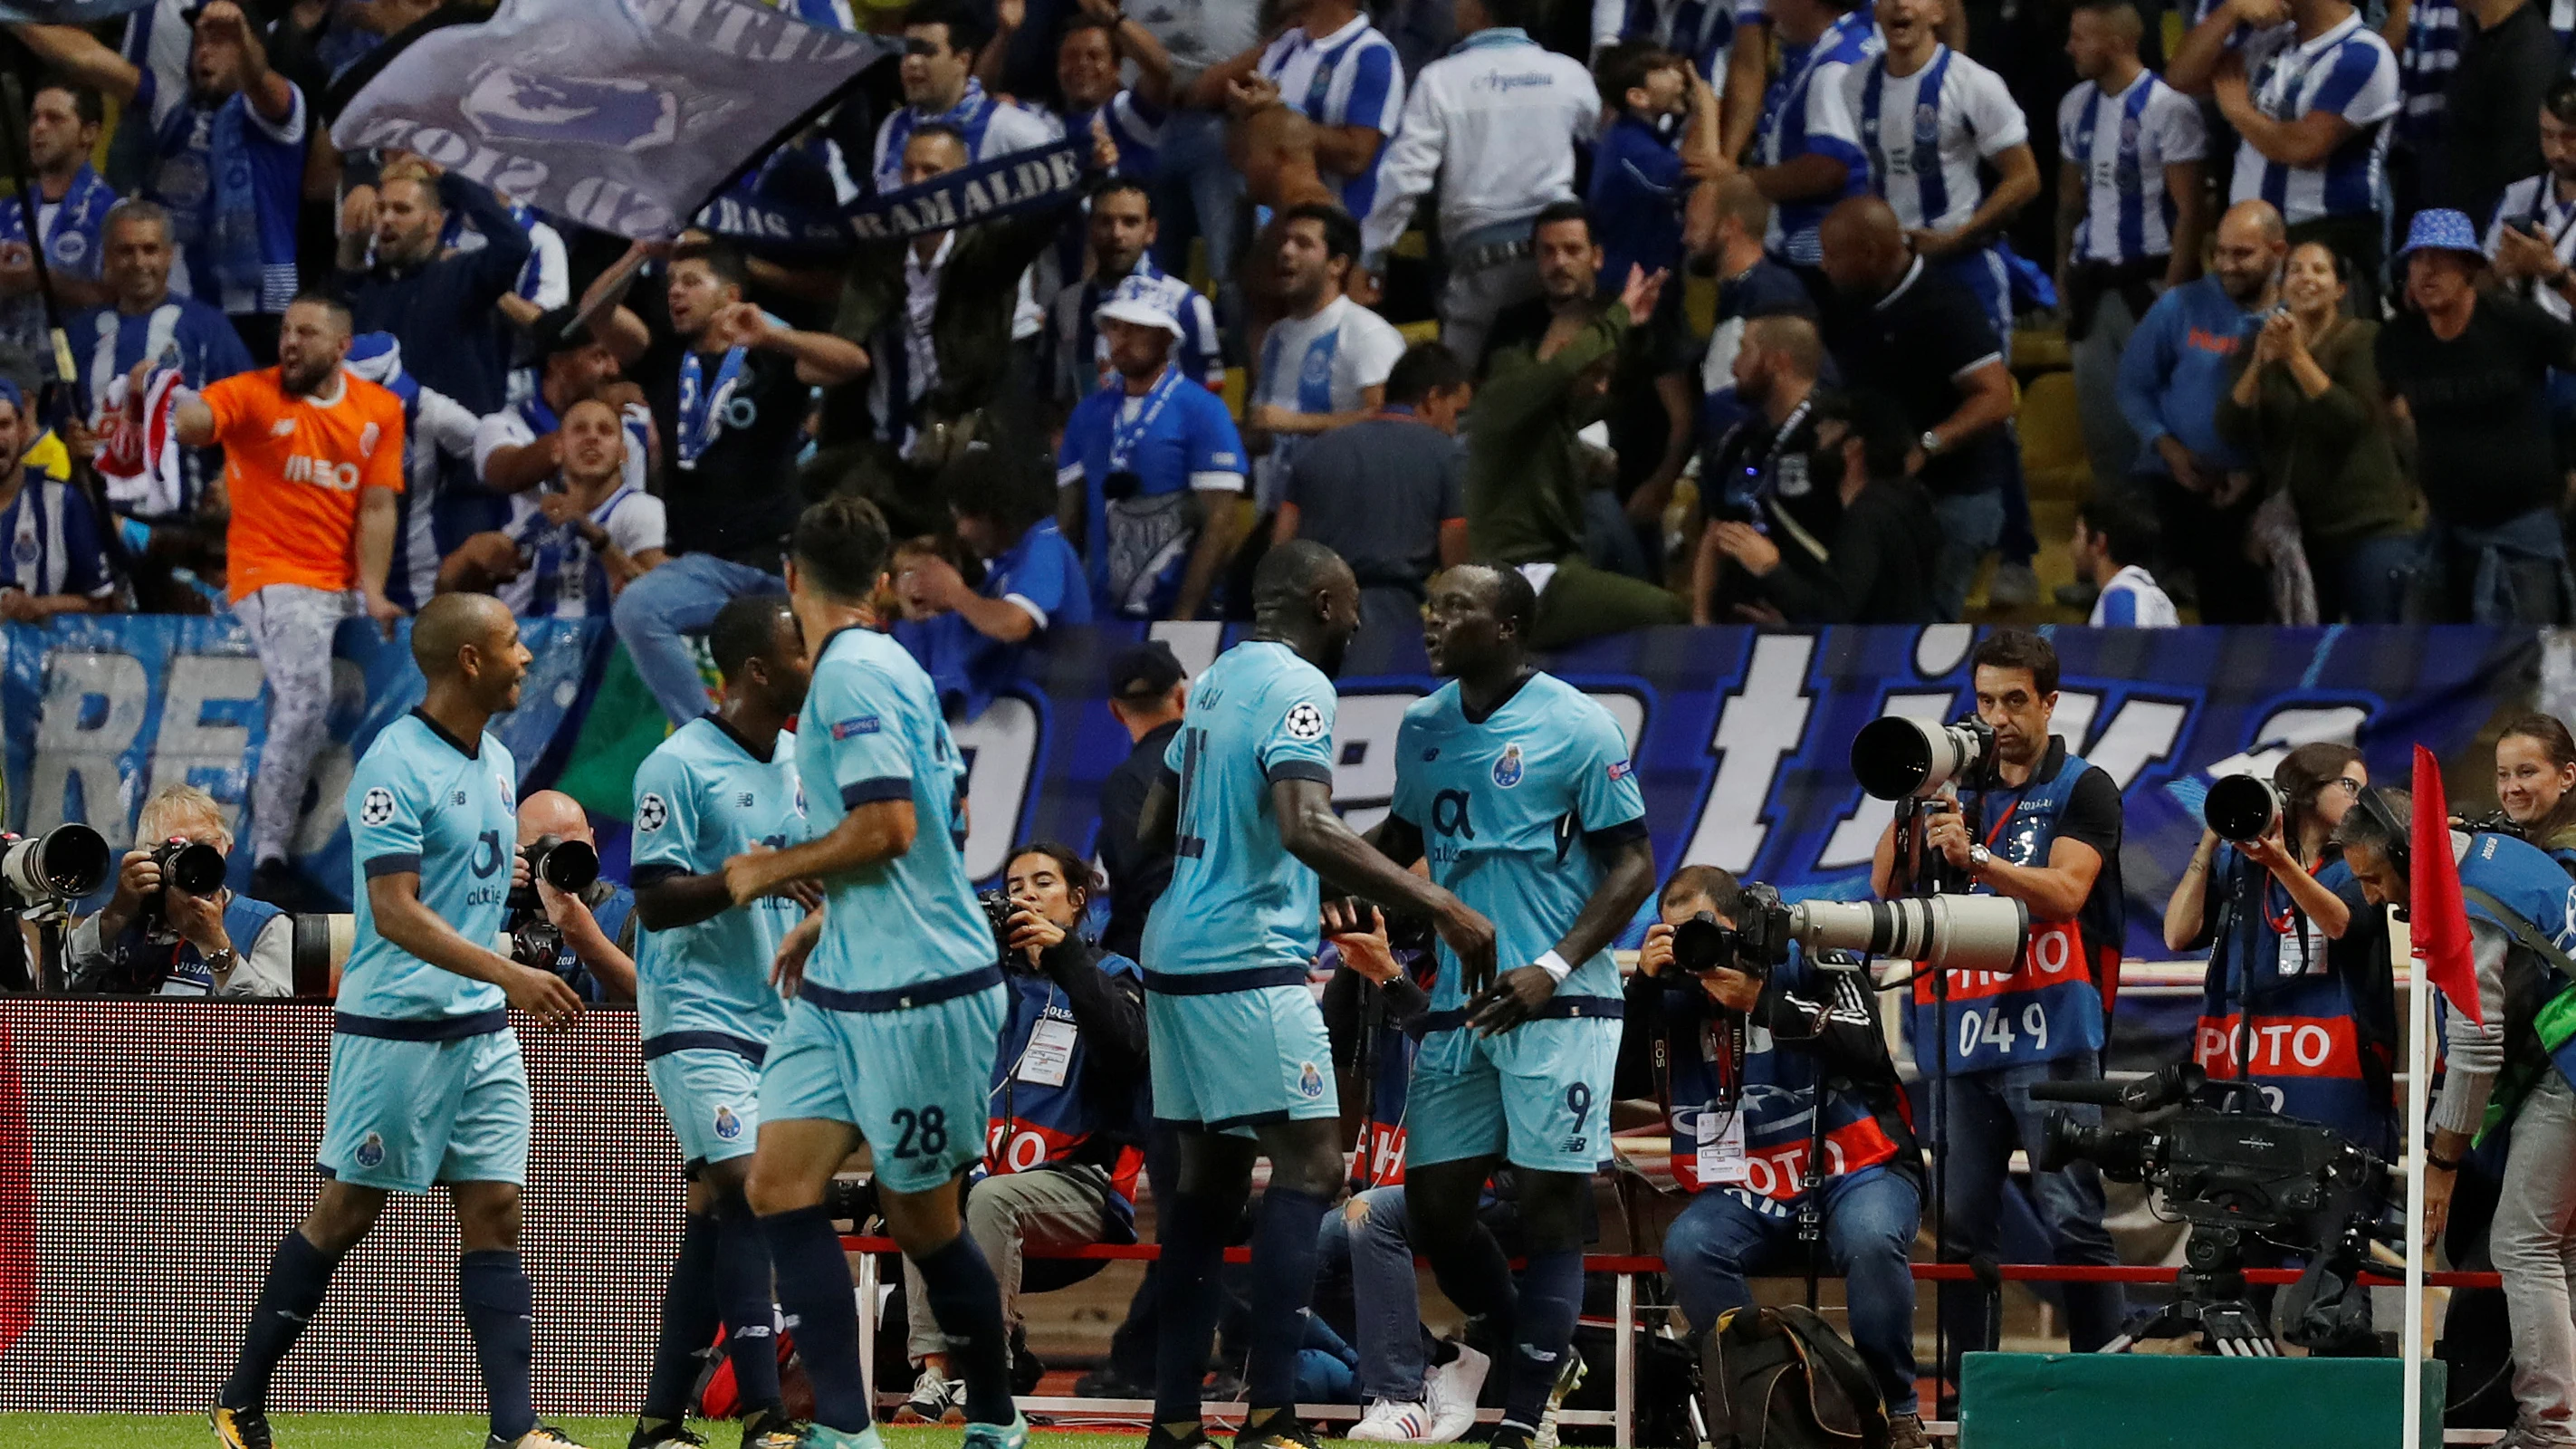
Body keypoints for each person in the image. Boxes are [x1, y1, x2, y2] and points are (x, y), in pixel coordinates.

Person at [1133, 540, 1496, 1449]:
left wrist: (1249, 866)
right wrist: (1433, 899)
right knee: (1313, 1171)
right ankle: (1270, 1420)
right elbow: (1305, 822)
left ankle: (1174, 1422)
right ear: (1326, 603)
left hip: (1174, 954)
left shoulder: (1214, 680)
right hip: (1246, 962)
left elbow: (1150, 821)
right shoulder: (1302, 687)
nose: (1362, 625)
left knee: (1205, 1193)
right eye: (1354, 609)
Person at [209, 592, 588, 1449]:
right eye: (513, 643)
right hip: (397, 1031)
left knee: (495, 1212)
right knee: (348, 1211)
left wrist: (503, 983)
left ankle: (515, 1430)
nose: (527, 656)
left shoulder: (495, 757)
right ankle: (239, 1399)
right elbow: (396, 913)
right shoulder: (393, 764)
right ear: (468, 661)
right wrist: (509, 972)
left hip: (481, 1031)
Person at [723, 495, 1025, 1449]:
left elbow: (892, 825)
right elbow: (945, 826)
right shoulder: (893, 665)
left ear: (792, 578)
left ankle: (996, 1413)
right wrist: (832, 915)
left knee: (924, 1221)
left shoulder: (851, 675)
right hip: (851, 976)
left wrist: (765, 871)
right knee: (777, 1185)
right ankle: (846, 1428)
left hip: (920, 989)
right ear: (887, 582)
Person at [1361, 562, 1656, 1449]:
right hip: (1461, 1006)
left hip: (1560, 1004)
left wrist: (1555, 964)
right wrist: (1328, 867)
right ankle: (1546, 1351)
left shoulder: (1575, 724)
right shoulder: (1422, 725)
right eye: (1431, 605)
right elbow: (1400, 843)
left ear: (1508, 625)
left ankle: (1524, 1416)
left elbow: (1634, 865)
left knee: (1549, 1205)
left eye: (1456, 607)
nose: (1433, 620)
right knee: (1436, 1207)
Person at [1870, 628, 2127, 1380]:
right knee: (1957, 1231)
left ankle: (2100, 1387)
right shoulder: (1957, 785)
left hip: (2050, 1038)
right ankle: (1965, 1390)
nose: (1997, 717)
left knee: (2073, 1219)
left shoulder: (2082, 785)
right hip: (1957, 1038)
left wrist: (1976, 858)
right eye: (1985, 700)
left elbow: (2067, 893)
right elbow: (1885, 889)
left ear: (2049, 702)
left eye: (2014, 700)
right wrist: (1914, 794)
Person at [1634, 866, 1927, 1449]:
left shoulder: (1811, 950)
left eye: (1706, 929)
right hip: (1747, 1189)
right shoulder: (1671, 991)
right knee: (1690, 1246)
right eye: (1678, 933)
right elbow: (1619, 1080)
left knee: (1871, 1238)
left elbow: (1867, 1046)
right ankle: (1769, 1411)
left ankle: (1896, 1413)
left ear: (1741, 920)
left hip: (1856, 1168)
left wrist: (1763, 1001)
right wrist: (1643, 989)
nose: (1698, 945)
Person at [626, 593, 814, 1449]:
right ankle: (765, 1413)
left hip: (778, 1016)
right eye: (800, 650)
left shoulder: (805, 758)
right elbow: (656, 902)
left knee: (714, 1216)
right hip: (693, 1012)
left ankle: (658, 1421)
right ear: (757, 671)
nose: (817, 663)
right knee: (750, 1186)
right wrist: (761, 875)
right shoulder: (678, 764)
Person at [2339, 790, 2576, 1449]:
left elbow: (2474, 1050)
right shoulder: (2506, 854)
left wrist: (2439, 1160)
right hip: (2561, 1061)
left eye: (2373, 878)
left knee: (2522, 1246)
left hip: (2566, 1069)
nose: (2369, 898)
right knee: (2560, 1252)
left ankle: (2546, 1432)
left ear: (2411, 855)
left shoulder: (2462, 910)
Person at [169, 292, 407, 907]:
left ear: (341, 347)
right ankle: (270, 855)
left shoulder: (379, 409)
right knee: (307, 696)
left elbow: (378, 506)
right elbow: (198, 421)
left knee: (430, 640)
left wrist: (376, 592)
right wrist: (172, 403)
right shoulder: (253, 392)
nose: (290, 343)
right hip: (271, 575)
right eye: (284, 331)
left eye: (306, 332)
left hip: (342, 586)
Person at [897, 842, 1148, 1422]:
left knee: (989, 1196)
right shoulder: (993, 982)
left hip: (1083, 1188)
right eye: (1015, 887)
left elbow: (1127, 1049)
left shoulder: (1113, 973)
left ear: (1078, 899)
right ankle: (936, 1378)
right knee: (924, 1186)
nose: (1027, 895)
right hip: (991, 1188)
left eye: (1043, 883)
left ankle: (995, 1363)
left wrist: (1065, 961)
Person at [598, 240, 868, 728]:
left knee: (822, 683)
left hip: (782, 565)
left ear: (731, 295)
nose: (675, 293)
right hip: (706, 568)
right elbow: (596, 314)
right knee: (638, 608)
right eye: (670, 284)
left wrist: (772, 337)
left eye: (691, 282)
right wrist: (638, 254)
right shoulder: (661, 359)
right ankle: (708, 735)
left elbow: (853, 363)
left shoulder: (772, 360)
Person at [14, 1, 306, 355]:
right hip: (179, 307)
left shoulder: (280, 113)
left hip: (260, 309)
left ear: (251, 46)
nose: (203, 52)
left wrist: (244, 41)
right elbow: (85, 58)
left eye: (218, 41)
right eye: (198, 41)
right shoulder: (173, 103)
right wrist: (10, 14)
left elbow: (259, 81)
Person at [2165, 743, 2392, 1156]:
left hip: (2328, 1074)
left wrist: (2280, 863)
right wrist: (2208, 845)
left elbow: (2341, 923)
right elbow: (2177, 936)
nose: (2360, 801)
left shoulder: (2357, 863)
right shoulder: (2240, 864)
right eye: (2349, 785)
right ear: (2307, 787)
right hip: (2246, 1057)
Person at [1467, 236, 1684, 648]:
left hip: (1552, 571)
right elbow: (1565, 369)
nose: (1602, 388)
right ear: (1570, 350)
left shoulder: (1553, 413)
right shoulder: (1505, 397)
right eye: (1596, 372)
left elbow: (1621, 388)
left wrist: (1633, 331)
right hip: (1518, 577)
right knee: (1667, 611)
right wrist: (1618, 314)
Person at [1358, 0, 1603, 363]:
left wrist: (1373, 253)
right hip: (1559, 257)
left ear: (1477, 9)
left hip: (1481, 266)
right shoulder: (1567, 74)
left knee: (1457, 388)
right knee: (1564, 378)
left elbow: (1405, 176)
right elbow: (1606, 143)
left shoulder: (1440, 80)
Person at [1815, 197, 2015, 621]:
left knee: (1921, 632)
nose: (1823, 266)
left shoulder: (1944, 305)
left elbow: (1996, 397)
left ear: (1869, 254)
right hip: (1887, 497)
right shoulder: (1848, 305)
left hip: (1955, 496)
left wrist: (1926, 446)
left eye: (1832, 255)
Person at [2380, 209, 2576, 625]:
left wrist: (2559, 278)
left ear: (2469, 266)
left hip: (2522, 530)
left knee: (2528, 671)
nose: (2427, 270)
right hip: (2443, 530)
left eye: (2442, 257)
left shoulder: (2513, 323)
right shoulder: (2398, 340)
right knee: (2431, 666)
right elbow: (2387, 410)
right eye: (2417, 258)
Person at [2211, 241, 2418, 623]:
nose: (2307, 278)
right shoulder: (2263, 346)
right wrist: (2258, 361)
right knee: (2310, 660)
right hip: (2304, 538)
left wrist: (2295, 356)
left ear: (2340, 289)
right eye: (2296, 270)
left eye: (2319, 270)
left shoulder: (2364, 338)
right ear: (2281, 287)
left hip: (2368, 529)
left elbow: (2348, 421)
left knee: (2380, 654)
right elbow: (2230, 428)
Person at [2056, 0, 2209, 497]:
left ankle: (2170, 549)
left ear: (2118, 42)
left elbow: (2189, 210)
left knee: (2163, 420)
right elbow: (2069, 200)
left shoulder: (2169, 107)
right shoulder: (2075, 105)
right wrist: (2062, 271)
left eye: (2081, 37)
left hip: (2149, 282)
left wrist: (2175, 295)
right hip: (2092, 284)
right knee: (2103, 427)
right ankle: (2117, 547)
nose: (2069, 48)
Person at [2116, 199, 2284, 625]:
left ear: (2278, 251)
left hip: (2256, 490)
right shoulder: (2181, 305)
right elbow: (2133, 385)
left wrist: (2256, 473)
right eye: (2221, 252)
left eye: (2242, 254)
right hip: (2172, 481)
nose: (2227, 265)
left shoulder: (2294, 316)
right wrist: (2168, 447)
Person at [2167, 0, 2400, 294]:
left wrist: (2239, 111)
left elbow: (2303, 147)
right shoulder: (2272, 42)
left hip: (2326, 237)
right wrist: (2231, 11)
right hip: (2256, 240)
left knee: (2326, 341)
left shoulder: (2364, 54)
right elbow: (2180, 77)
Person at [1056, 273, 1250, 621]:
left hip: (1181, 612)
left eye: (1139, 328)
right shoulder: (1088, 413)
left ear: (1165, 337)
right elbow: (1070, 520)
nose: (1124, 339)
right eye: (1116, 327)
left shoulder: (1202, 410)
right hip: (1102, 613)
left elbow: (1220, 523)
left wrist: (1182, 618)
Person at [1272, 341, 1472, 637]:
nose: (1455, 428)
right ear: (1432, 399)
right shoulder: (1449, 457)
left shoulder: (1315, 452)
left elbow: (1280, 550)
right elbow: (1457, 565)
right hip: (1394, 618)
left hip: (1313, 620)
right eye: (1457, 413)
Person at [1697, 389, 1939, 626]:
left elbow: (1836, 608)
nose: (1817, 444)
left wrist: (1769, 567)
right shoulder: (1910, 500)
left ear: (1853, 447)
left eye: (1826, 435)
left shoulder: (1867, 515)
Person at [893, 442, 1090, 721]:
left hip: (1063, 725)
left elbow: (1013, 624)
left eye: (963, 518)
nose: (959, 531)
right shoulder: (999, 567)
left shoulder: (1045, 547)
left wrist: (955, 595)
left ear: (991, 514)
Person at [1247, 205, 1406, 525]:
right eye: (1284, 241)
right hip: (1278, 513)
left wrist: (1293, 422)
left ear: (1337, 265)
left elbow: (1391, 421)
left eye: (1303, 244)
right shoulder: (1275, 338)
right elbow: (1269, 430)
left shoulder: (1365, 333)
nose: (1286, 251)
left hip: (1344, 517)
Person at [336, 162, 534, 415]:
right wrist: (349, 247)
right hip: (385, 444)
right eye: (381, 209)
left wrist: (452, 180)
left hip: (458, 446)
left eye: (401, 210)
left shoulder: (466, 276)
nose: (386, 219)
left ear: (434, 223)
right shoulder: (370, 287)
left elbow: (515, 246)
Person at [443, 398, 667, 619]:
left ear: (623, 453)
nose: (592, 438)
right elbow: (446, 598)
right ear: (557, 450)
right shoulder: (536, 519)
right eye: (580, 430)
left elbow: (663, 605)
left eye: (605, 431)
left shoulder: (640, 510)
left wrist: (598, 540)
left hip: (608, 653)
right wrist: (468, 559)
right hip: (530, 649)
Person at [67, 782, 292, 998]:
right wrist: (115, 916)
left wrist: (217, 948)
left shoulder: (264, 926)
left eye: (203, 845)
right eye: (174, 847)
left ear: (226, 848)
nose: (191, 858)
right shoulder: (119, 922)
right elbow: (55, 995)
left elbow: (282, 1027)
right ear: (143, 856)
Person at [1216, 0, 1404, 224]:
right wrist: (1246, 117)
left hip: (1342, 237)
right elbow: (1241, 155)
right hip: (1276, 230)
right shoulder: (1283, 48)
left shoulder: (1371, 55)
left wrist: (1277, 117)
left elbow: (1356, 157)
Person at [1048, 181, 1223, 410]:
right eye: (1105, 221)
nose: (1117, 233)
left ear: (1151, 231)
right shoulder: (1067, 305)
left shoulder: (1187, 305)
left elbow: (1208, 403)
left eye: (1130, 222)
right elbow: (1053, 398)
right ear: (1090, 229)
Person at [1735, 0, 1876, 275]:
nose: (1767, 10)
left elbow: (1828, 169)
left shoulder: (1835, 67)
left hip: (1820, 249)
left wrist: (1741, 183)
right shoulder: (1845, 43)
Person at [866, 0, 1060, 196]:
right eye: (907, 52)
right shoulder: (892, 127)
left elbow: (1066, 189)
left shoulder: (1011, 128)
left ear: (962, 60)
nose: (912, 62)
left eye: (927, 52)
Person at [1688, 172, 1818, 446]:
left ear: (1729, 227)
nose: (1686, 238)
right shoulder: (1734, 293)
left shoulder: (1775, 294)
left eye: (1694, 226)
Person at [1588, 43, 1723, 293]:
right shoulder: (1631, 150)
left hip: (1649, 283)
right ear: (1638, 97)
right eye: (1663, 69)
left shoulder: (1646, 138)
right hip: (1626, 290)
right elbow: (1707, 178)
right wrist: (1709, 110)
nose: (1678, 76)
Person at [0, 78, 113, 366]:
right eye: (34, 119)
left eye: (55, 118)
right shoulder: (6, 210)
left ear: (89, 133)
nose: (39, 128)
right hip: (9, 380)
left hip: (78, 372)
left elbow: (124, 298)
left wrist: (42, 279)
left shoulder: (113, 213)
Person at [2423, 0, 2556, 229]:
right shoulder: (2482, 37)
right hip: (2454, 227)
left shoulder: (2527, 51)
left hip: (2481, 238)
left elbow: (2517, 173)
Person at [1096, 640, 1186, 961]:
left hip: (1164, 964)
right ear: (1181, 696)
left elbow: (1153, 886)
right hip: (1251, 949)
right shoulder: (1231, 760)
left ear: (1116, 711)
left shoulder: (1126, 783)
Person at [0, 378, 115, 622]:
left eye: (3, 425)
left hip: (42, 654)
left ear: (22, 429)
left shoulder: (62, 502)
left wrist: (39, 606)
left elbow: (103, 601)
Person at [512, 789, 637, 1005]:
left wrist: (585, 938)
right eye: (543, 852)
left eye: (574, 849)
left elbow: (659, 1007)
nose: (564, 864)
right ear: (514, 851)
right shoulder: (493, 915)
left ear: (593, 843)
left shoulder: (631, 915)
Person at [2487, 82, 2576, 325]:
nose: (2557, 150)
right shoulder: (2518, 197)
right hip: (2522, 350)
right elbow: (2482, 287)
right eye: (2548, 135)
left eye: (2570, 137)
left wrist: (2555, 274)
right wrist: (2496, 273)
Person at [2071, 496, 2177, 626]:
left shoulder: (2122, 596)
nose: (2073, 546)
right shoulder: (2131, 590)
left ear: (2100, 542)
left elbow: (2126, 646)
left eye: (2078, 535)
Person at [2495, 712, 2576, 872]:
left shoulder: (2566, 858)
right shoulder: (2499, 835)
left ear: (2567, 776)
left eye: (2526, 772)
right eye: (2503, 775)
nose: (2512, 788)